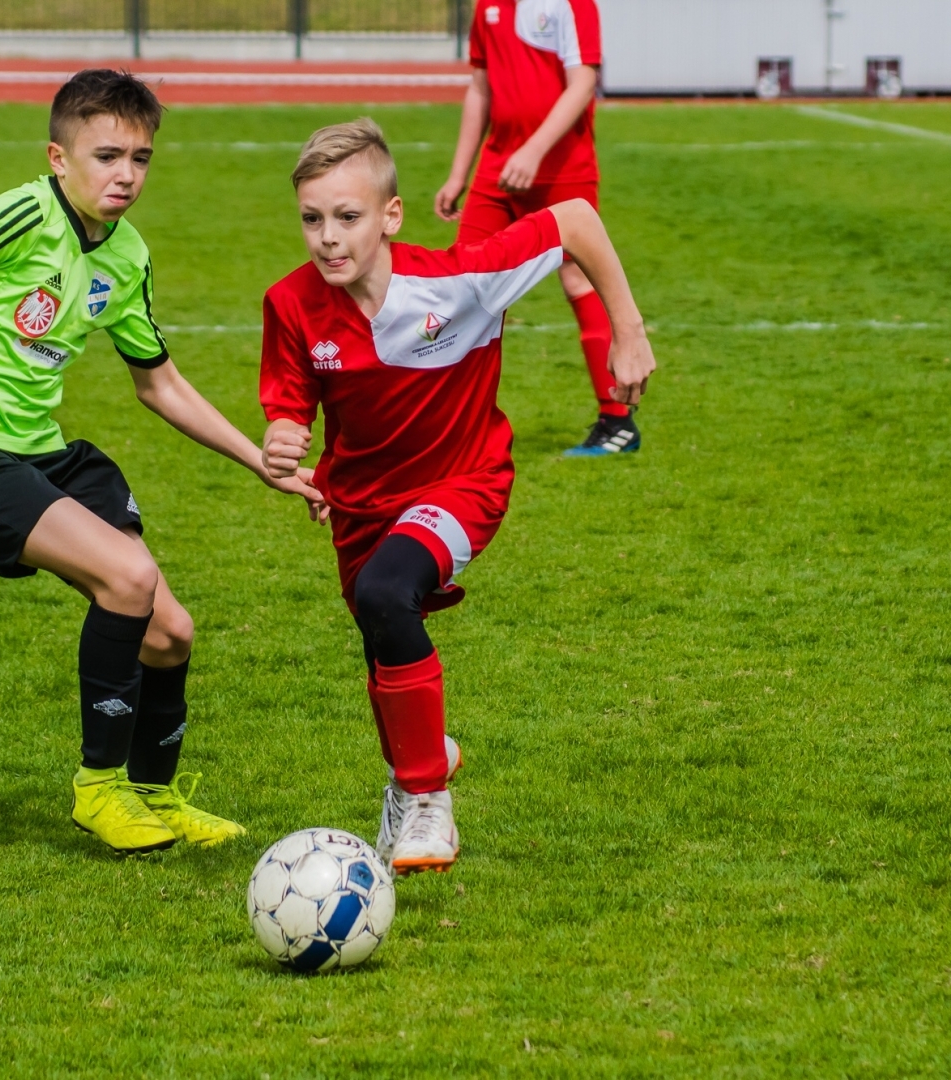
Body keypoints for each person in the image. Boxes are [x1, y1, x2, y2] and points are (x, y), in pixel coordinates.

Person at [0, 69, 321, 856]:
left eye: (140, 158)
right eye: (106, 156)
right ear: (59, 159)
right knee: (128, 581)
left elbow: (158, 382)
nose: (125, 175)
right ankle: (98, 791)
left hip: (38, 450)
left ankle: (155, 796)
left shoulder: (125, 255)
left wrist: (255, 461)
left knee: (169, 632)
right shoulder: (23, 213)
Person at [259, 119, 654, 874]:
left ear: (391, 216)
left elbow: (575, 219)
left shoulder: (462, 278)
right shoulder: (290, 304)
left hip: (463, 483)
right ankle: (421, 754)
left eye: (347, 218)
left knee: (386, 594)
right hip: (359, 506)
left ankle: (426, 794)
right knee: (382, 641)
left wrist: (627, 330)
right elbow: (291, 401)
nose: (328, 239)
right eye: (312, 219)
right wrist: (284, 437)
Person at [434, 0, 638, 457]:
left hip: (562, 166)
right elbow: (480, 89)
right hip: (497, 167)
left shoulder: (573, 4)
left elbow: (583, 82)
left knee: (578, 278)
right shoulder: (488, 5)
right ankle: (454, 421)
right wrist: (458, 173)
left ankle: (618, 422)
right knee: (464, 283)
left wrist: (533, 150)